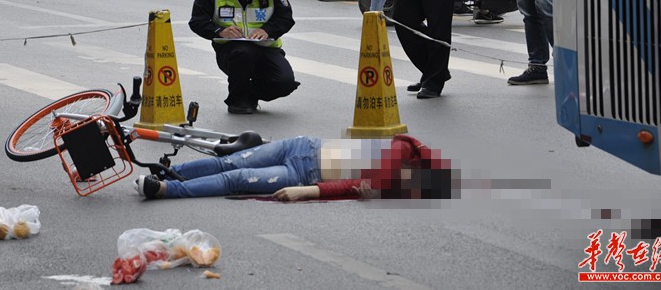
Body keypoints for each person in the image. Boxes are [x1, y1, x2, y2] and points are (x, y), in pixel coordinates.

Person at [132, 134, 456, 201]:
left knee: (236, 178)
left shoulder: (395, 184)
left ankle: (165, 189)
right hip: (302, 146)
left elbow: (349, 187)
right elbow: (356, 186)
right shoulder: (403, 150)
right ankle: (166, 173)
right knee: (228, 162)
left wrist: (305, 190)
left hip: (303, 173)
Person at [189, 0, 299, 114]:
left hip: (265, 47)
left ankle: (249, 93)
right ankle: (238, 99)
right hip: (232, 51)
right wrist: (219, 31)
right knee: (244, 53)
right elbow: (197, 21)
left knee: (284, 83)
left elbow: (286, 17)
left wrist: (267, 30)